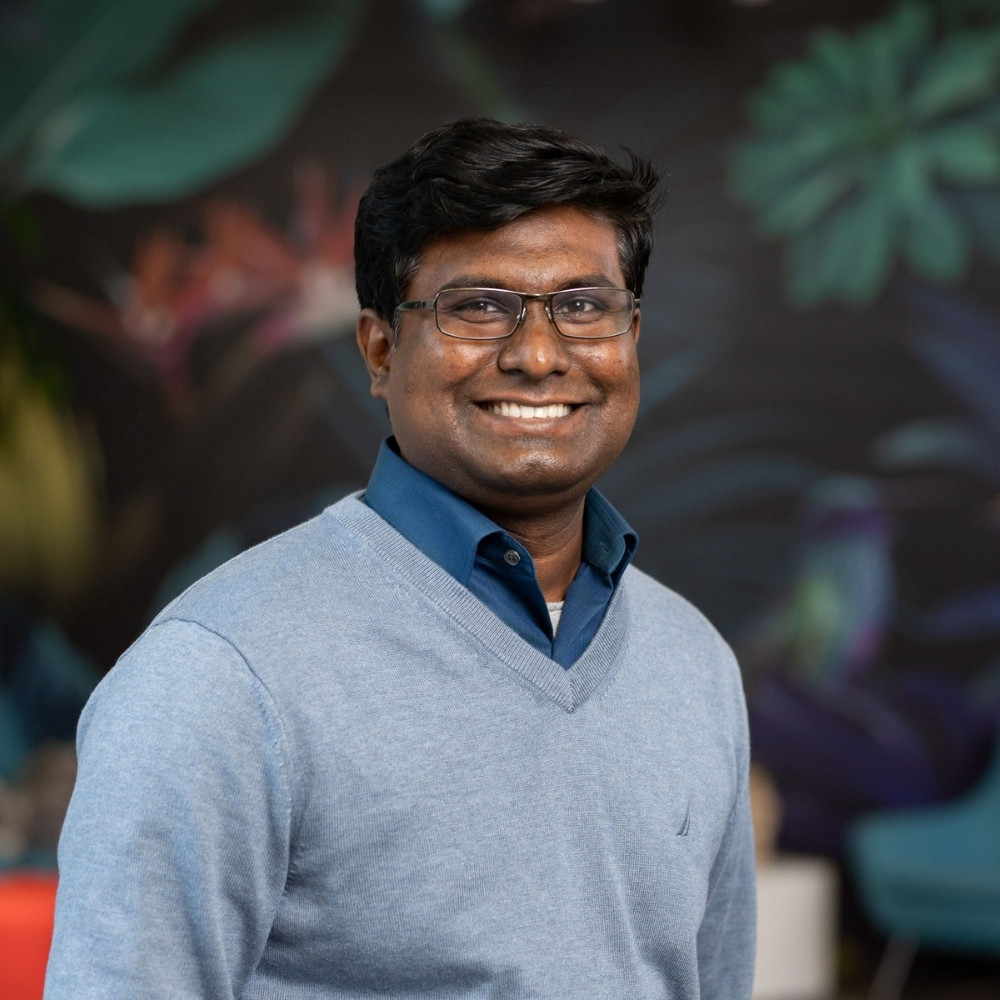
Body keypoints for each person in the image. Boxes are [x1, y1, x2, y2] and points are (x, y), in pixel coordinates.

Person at [45, 117, 755, 999]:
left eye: (582, 306)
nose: (538, 354)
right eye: (477, 306)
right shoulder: (219, 674)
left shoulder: (693, 661)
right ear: (379, 349)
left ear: (631, 336)